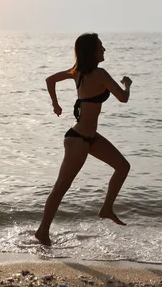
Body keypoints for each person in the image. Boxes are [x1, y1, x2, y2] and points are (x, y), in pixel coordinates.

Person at [35, 33, 132, 246]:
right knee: (62, 186)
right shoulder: (100, 74)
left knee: (123, 166)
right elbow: (123, 98)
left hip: (89, 137)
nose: (104, 49)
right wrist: (127, 84)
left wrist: (56, 104)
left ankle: (106, 208)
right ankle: (42, 231)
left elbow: (50, 80)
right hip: (78, 139)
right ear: (92, 51)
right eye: (101, 46)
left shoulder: (76, 72)